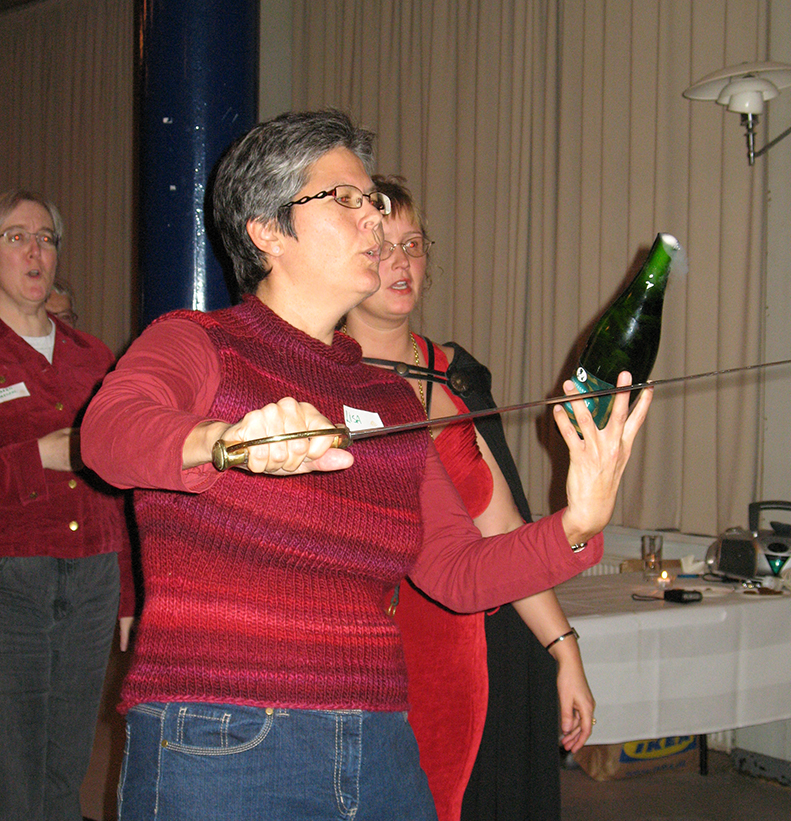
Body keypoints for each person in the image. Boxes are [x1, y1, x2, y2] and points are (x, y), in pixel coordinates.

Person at [80, 109, 651, 821]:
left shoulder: (387, 398)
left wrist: (580, 520)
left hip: (377, 735)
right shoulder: (200, 343)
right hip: (222, 732)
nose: (376, 222)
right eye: (346, 199)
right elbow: (108, 435)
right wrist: (225, 441)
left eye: (373, 202)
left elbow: (455, 572)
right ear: (266, 229)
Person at [343, 173, 594, 821]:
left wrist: (563, 649)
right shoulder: (320, 373)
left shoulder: (452, 376)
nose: (401, 261)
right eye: (381, 244)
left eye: (414, 243)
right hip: (367, 664)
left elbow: (503, 528)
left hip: (471, 659)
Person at [0, 189, 135, 821]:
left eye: (46, 239)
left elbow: (126, 484)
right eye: (16, 236)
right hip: (12, 576)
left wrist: (131, 593)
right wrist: (38, 457)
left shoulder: (95, 357)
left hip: (94, 575)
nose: (35, 251)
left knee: (69, 757)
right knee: (15, 760)